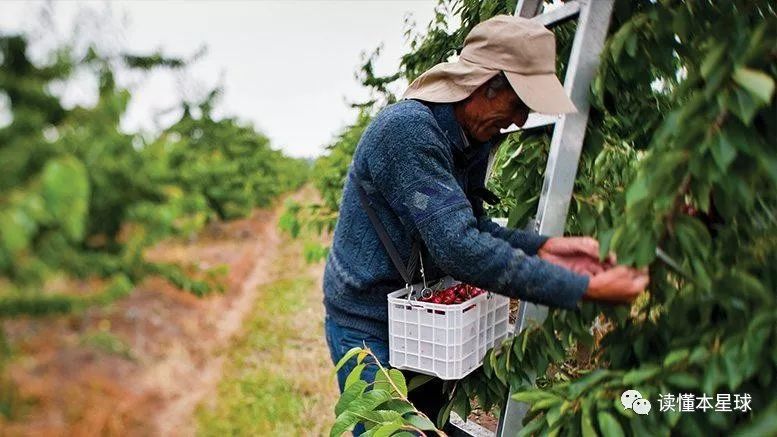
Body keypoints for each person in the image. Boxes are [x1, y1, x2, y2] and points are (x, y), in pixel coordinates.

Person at [323, 15, 649, 432]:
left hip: (424, 321)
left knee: (425, 422)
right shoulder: (407, 133)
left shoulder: (471, 138)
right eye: (517, 104)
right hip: (368, 321)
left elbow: (471, 226)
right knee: (387, 427)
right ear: (483, 85)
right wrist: (583, 288)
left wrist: (546, 247)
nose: (517, 121)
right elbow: (458, 248)